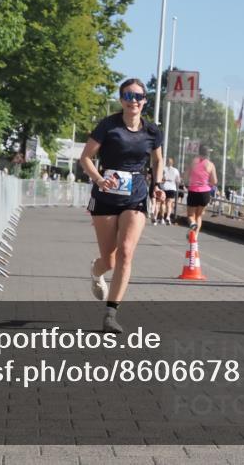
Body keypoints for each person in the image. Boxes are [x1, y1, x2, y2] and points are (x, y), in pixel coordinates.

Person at [79, 78, 165, 333]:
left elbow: (157, 159)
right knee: (110, 260)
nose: (133, 100)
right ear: (121, 100)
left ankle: (110, 314)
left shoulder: (152, 131)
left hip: (135, 194)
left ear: (145, 101)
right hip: (106, 195)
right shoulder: (108, 125)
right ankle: (96, 272)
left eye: (138, 96)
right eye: (128, 96)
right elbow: (85, 157)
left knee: (126, 252)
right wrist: (98, 179)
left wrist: (156, 185)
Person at [184, 145, 217, 239]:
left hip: (193, 190)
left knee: (191, 215)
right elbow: (214, 181)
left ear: (199, 152)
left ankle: (192, 224)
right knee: (199, 215)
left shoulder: (193, 162)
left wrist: (187, 182)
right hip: (205, 193)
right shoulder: (210, 164)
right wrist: (207, 184)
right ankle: (195, 236)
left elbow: (186, 176)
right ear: (208, 154)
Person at [158, 157, 181, 225]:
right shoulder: (175, 170)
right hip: (172, 188)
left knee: (163, 203)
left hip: (164, 187)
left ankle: (162, 218)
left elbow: (160, 178)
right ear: (172, 163)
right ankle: (168, 217)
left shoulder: (163, 169)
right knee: (169, 204)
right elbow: (178, 180)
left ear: (166, 162)